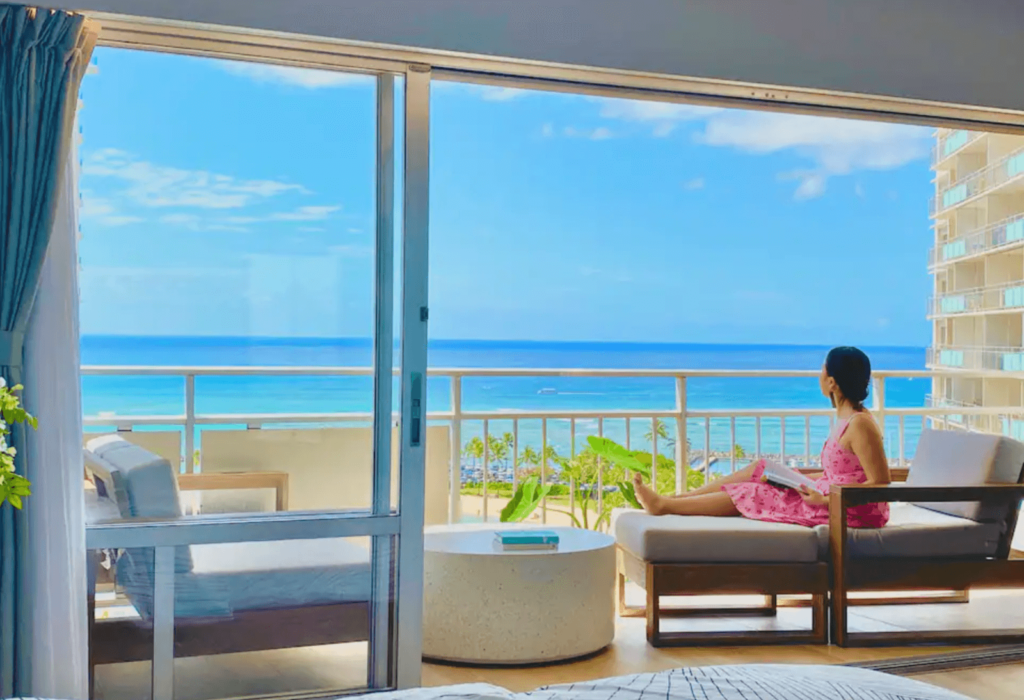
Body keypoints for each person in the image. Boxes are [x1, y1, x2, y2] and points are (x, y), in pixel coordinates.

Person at [632, 346, 890, 528]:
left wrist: (824, 499)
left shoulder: (860, 425)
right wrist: (797, 479)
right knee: (763, 468)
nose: (819, 376)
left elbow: (879, 483)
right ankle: (677, 498)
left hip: (852, 511)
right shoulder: (847, 419)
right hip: (832, 495)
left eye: (822, 372)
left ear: (832, 382)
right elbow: (843, 475)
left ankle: (665, 507)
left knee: (753, 491)